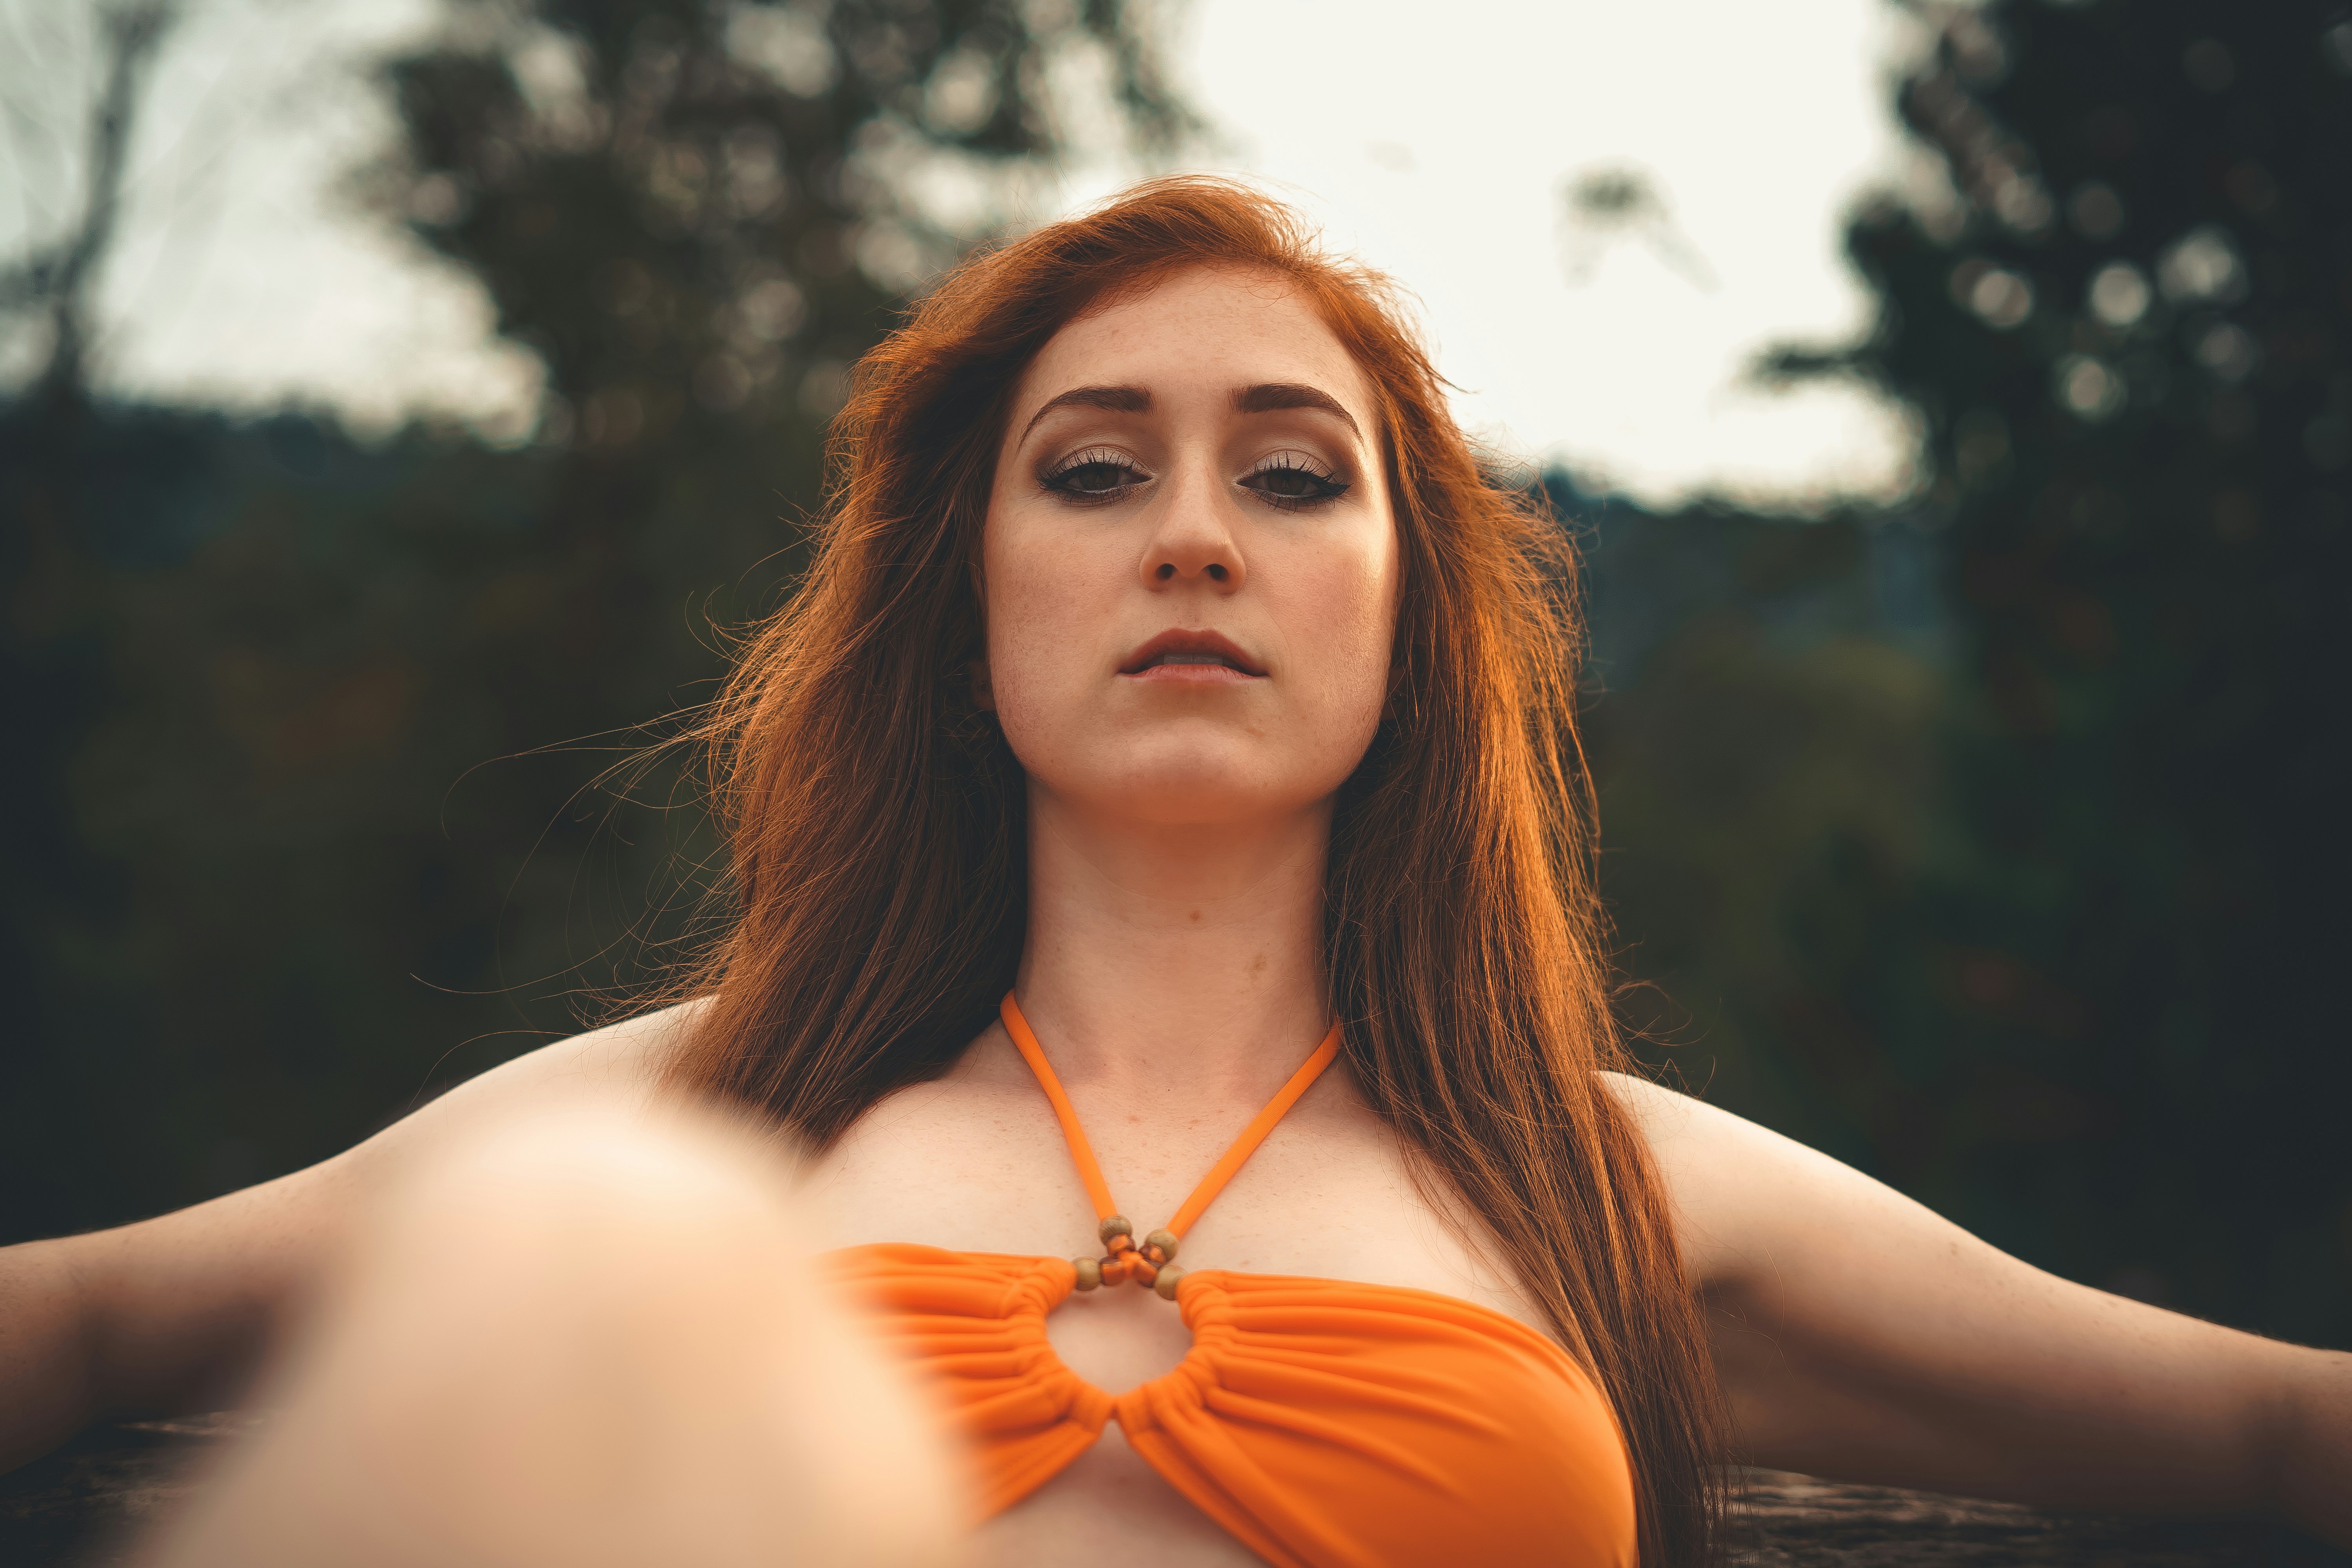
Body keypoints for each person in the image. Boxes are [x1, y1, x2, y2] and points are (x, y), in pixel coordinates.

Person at [2, 178, 2346, 1568]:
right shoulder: (709, 1116)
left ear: (1409, 619)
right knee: (591, 1240)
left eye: (1296, 477)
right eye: (1097, 471)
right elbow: (91, 1319)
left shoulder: (1599, 1183)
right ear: (973, 598)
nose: (1198, 535)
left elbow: (2263, 1425)